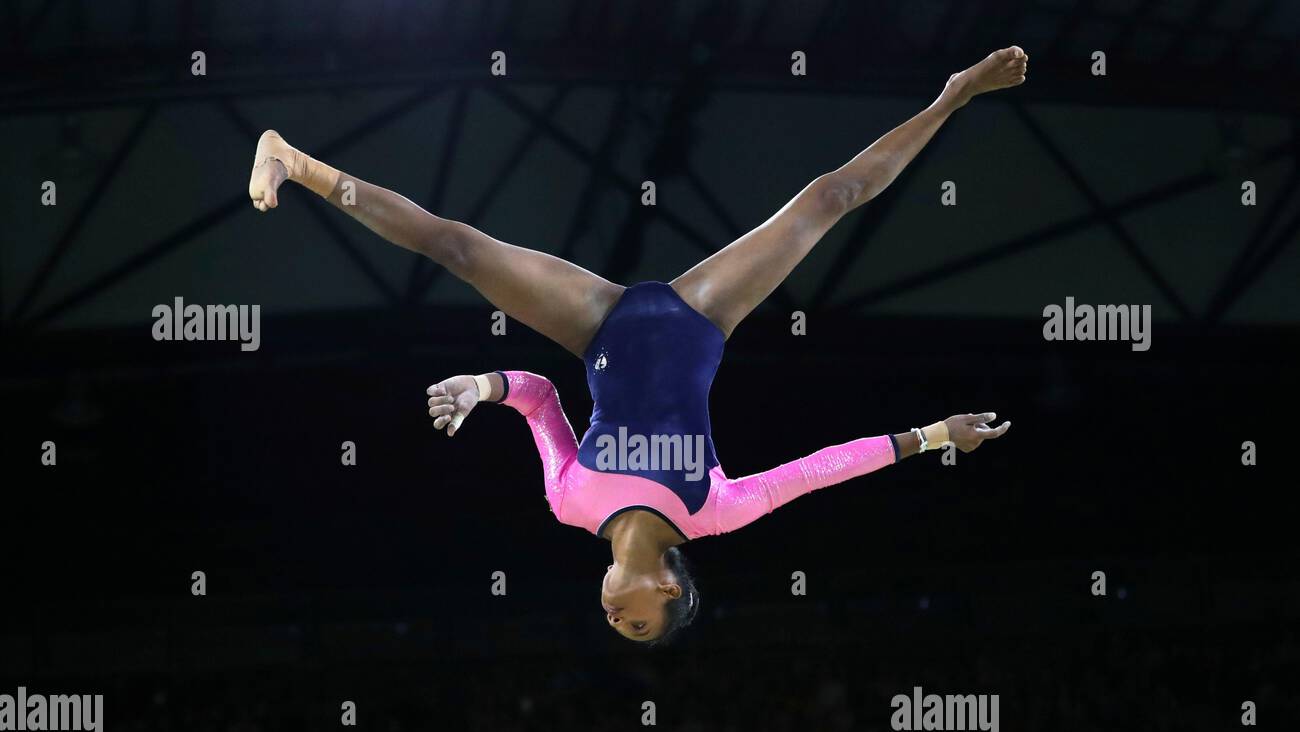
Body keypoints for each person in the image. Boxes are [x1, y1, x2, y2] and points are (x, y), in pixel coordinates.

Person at [248, 47, 1028, 643]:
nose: (614, 616)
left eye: (619, 627)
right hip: (699, 319)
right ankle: (954, 95)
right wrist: (931, 438)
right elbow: (820, 471)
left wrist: (480, 387)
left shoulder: (569, 502)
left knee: (460, 250)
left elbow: (539, 398)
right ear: (670, 590)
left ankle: (302, 164)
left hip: (598, 328)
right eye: (636, 623)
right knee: (830, 199)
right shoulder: (712, 510)